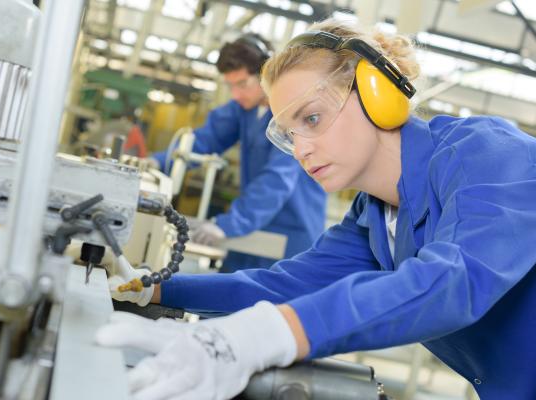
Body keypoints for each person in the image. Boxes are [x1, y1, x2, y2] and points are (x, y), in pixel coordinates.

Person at [97, 19, 536, 400]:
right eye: (288, 134)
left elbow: (452, 282)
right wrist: (153, 289)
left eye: (311, 119)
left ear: (376, 92)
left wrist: (264, 336)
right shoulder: (374, 216)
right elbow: (287, 285)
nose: (302, 150)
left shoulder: (488, 154)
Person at [151, 34, 326, 271]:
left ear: (266, 74)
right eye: (230, 85)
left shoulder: (293, 115)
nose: (235, 94)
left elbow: (276, 181)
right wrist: (155, 163)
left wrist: (229, 224)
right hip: (249, 227)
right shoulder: (243, 110)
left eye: (242, 84)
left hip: (288, 235)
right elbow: (204, 140)